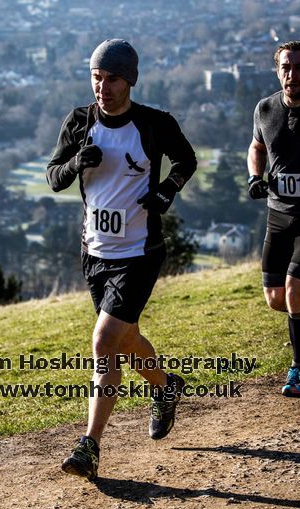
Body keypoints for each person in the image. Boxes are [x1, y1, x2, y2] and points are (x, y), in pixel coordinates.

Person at [47, 39, 197, 481]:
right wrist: (77, 162)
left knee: (104, 341)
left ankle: (89, 445)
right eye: (96, 77)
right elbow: (54, 177)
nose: (103, 86)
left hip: (140, 253)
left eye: (111, 78)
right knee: (126, 341)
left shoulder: (153, 124)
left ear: (129, 79)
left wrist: (167, 191)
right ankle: (166, 387)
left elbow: (185, 160)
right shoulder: (79, 122)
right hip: (94, 253)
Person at [247, 40, 300, 396]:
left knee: (295, 292)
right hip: (278, 216)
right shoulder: (266, 109)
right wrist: (256, 177)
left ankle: (298, 372)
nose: (292, 74)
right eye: (286, 67)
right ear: (278, 71)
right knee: (276, 299)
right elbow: (256, 146)